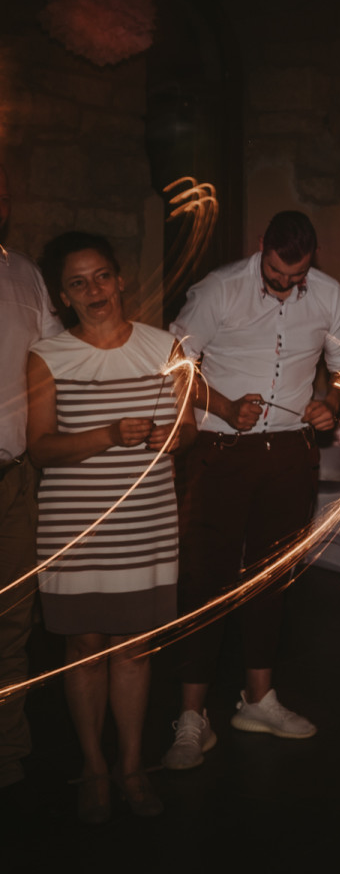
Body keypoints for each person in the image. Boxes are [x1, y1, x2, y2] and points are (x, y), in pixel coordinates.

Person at [163, 210, 340, 769]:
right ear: (261, 249)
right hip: (221, 453)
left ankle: (258, 700)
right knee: (207, 579)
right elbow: (177, 364)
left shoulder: (328, 295)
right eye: (276, 273)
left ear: (310, 261)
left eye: (296, 277)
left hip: (291, 454)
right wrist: (223, 406)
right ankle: (193, 718)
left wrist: (330, 405)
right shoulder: (218, 290)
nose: (285, 286)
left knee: (271, 578)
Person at [26, 232, 192, 821]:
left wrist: (164, 434)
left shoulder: (164, 346)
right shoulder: (49, 355)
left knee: (136, 651)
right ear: (64, 297)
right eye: (78, 283)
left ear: (120, 280)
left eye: (101, 276)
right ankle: (93, 768)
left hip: (146, 522)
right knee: (84, 647)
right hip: (76, 526)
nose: (93, 290)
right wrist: (105, 435)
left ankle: (130, 767)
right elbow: (40, 449)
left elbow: (188, 429)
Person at [0, 164, 63, 795]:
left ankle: (7, 751)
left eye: (3, 189)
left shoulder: (23, 274)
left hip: (12, 479)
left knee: (14, 619)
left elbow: (54, 361)